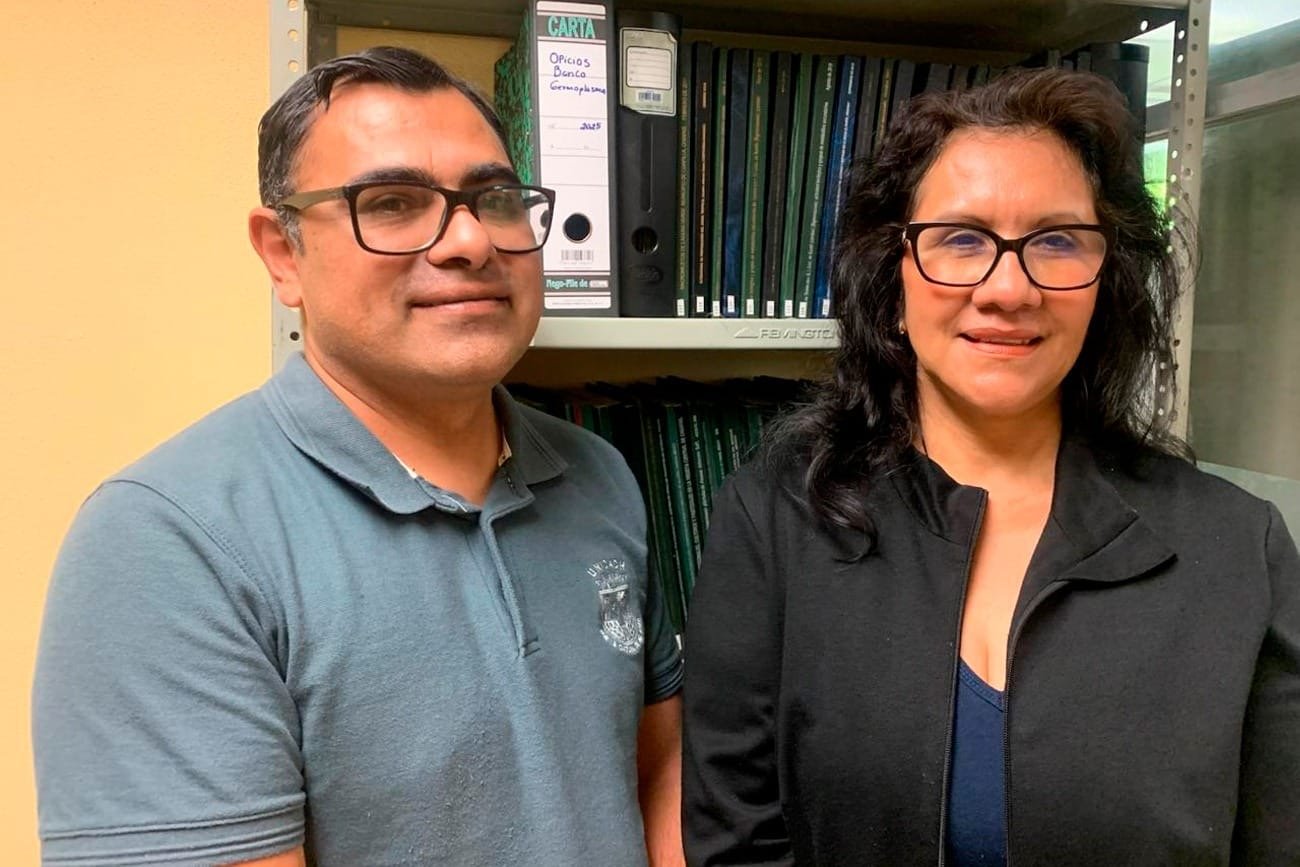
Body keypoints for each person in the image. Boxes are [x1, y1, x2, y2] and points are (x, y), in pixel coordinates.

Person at [34, 46, 684, 867]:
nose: (470, 240)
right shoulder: (165, 541)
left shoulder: (600, 475)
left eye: (495, 198)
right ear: (283, 254)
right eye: (393, 203)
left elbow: (660, 767)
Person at [681, 67, 1300, 866]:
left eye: (1057, 241)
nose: (1009, 288)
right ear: (893, 280)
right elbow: (737, 844)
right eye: (962, 239)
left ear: (1104, 282)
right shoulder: (775, 520)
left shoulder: (1239, 549)